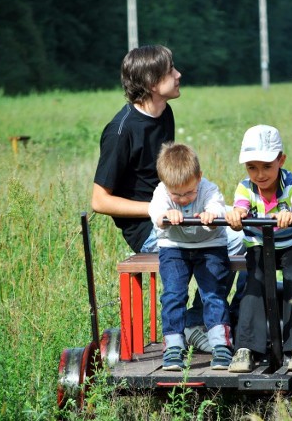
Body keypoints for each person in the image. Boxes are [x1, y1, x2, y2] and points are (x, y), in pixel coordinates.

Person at [91, 45, 244, 354]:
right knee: (224, 245)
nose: (178, 74)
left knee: (241, 237)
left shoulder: (165, 113)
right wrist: (155, 210)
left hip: (181, 211)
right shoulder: (120, 132)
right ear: (151, 83)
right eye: (171, 71)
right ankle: (195, 325)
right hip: (150, 228)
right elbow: (99, 200)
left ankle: (200, 320)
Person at [225, 125, 292, 373]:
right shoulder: (245, 187)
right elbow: (240, 207)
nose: (260, 174)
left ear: (281, 160)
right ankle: (246, 348)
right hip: (260, 243)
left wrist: (291, 214)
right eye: (252, 167)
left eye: (267, 166)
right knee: (253, 280)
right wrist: (236, 214)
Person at [148, 142, 234, 370]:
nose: (184, 198)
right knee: (174, 295)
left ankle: (221, 345)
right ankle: (174, 345)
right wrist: (167, 214)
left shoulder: (208, 189)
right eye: (176, 194)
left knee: (214, 293)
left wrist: (211, 214)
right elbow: (156, 213)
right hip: (175, 247)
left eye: (189, 192)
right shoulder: (161, 193)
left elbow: (217, 206)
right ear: (166, 185)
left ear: (199, 177)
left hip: (210, 245)